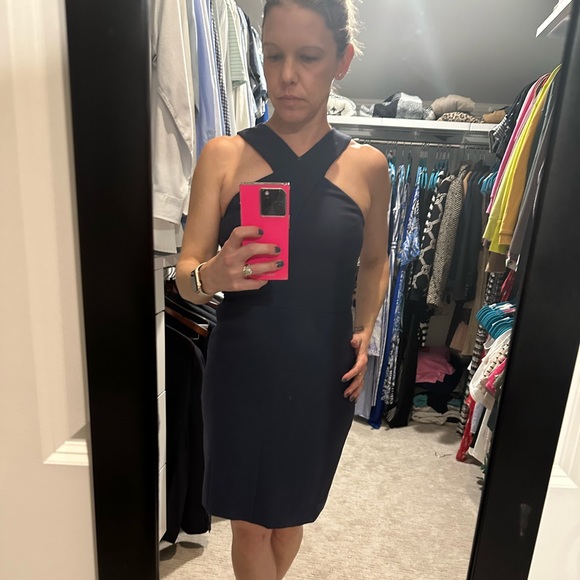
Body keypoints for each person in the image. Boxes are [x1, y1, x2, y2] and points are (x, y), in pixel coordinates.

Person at [176, 1, 390, 578]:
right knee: (249, 522)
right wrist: (212, 275)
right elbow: (185, 275)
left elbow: (376, 261)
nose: (287, 75)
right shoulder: (224, 156)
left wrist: (366, 329)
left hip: (322, 370)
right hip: (242, 368)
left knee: (291, 515)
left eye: (309, 57)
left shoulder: (369, 167)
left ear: (342, 60)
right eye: (273, 56)